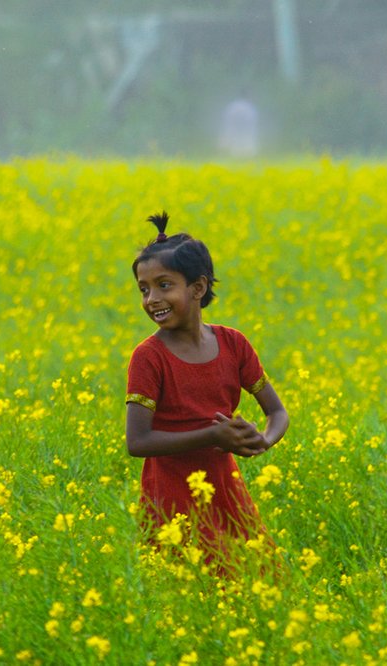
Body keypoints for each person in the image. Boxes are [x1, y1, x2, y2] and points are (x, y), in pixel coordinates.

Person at [125, 211, 289, 570]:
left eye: (164, 285)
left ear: (198, 288)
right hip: (171, 496)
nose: (152, 298)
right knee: (191, 586)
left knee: (260, 577)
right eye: (144, 289)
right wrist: (213, 434)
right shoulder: (148, 357)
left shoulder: (233, 344)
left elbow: (276, 412)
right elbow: (137, 442)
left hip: (225, 489)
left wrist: (262, 440)